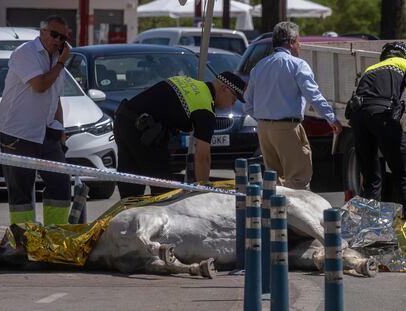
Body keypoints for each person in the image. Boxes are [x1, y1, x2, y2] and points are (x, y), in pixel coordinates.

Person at [114, 71, 246, 199]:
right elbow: (202, 157)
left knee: (131, 183)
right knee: (163, 190)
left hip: (123, 119)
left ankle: (124, 215)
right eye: (234, 98)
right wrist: (204, 192)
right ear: (224, 89)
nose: (233, 104)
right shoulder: (205, 108)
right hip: (143, 132)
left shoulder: (190, 82)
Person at [244, 21, 342, 190]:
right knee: (298, 178)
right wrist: (331, 118)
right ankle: (294, 215)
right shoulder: (297, 65)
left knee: (273, 181)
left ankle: (275, 214)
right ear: (290, 42)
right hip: (287, 127)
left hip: (264, 128)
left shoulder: (259, 66)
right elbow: (314, 96)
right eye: (298, 41)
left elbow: (248, 102)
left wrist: (264, 117)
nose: (300, 45)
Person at [0, 15, 71, 225]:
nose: (57, 40)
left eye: (62, 37)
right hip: (18, 133)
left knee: (61, 183)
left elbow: (55, 99)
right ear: (42, 32)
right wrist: (63, 62)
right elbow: (40, 86)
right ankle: (24, 240)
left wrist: (61, 132)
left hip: (47, 132)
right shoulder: (25, 53)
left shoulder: (57, 59)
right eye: (54, 34)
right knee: (22, 191)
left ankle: (55, 236)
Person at [349, 41, 406, 218]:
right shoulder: (402, 64)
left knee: (371, 177)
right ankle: (404, 228)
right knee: (402, 172)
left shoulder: (371, 68)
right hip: (381, 115)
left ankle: (370, 229)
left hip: (358, 117)